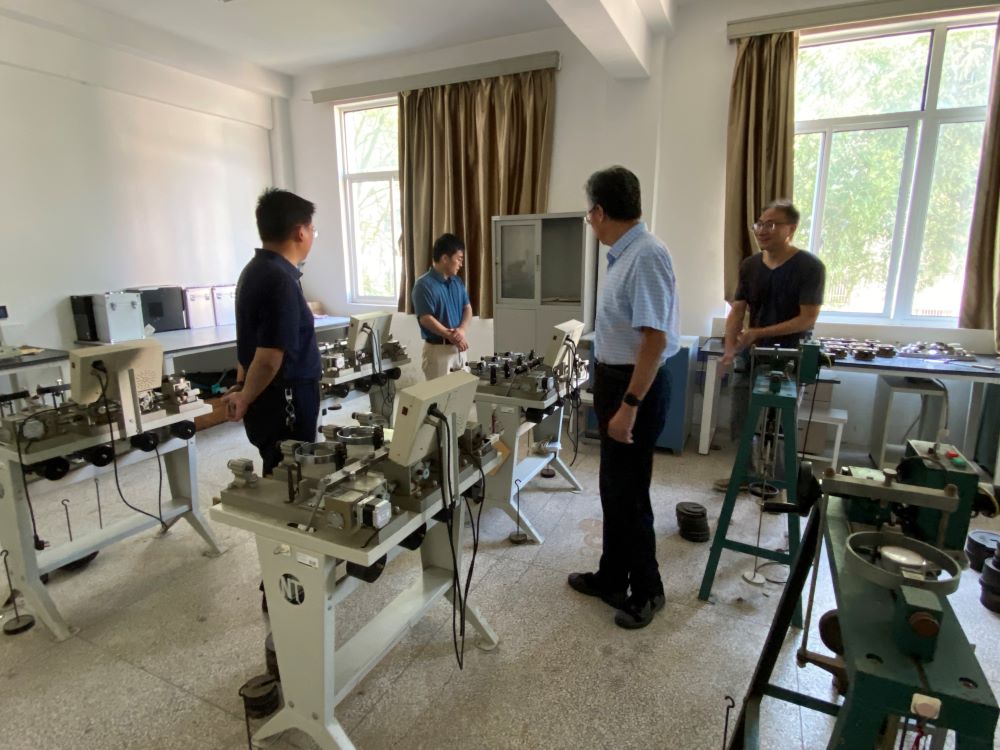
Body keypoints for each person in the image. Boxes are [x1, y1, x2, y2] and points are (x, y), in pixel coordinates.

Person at [568, 166, 681, 630]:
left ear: (599, 211)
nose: (589, 221)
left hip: (636, 388)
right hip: (617, 381)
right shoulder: (623, 255)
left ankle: (649, 591)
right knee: (613, 490)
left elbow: (655, 339)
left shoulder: (646, 255)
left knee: (631, 495)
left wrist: (629, 407)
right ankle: (612, 576)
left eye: (588, 213)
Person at [714, 199, 825, 490]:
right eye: (760, 224)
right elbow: (737, 310)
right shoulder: (750, 266)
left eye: (771, 224)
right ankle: (743, 474)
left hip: (790, 357)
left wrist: (758, 332)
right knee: (741, 418)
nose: (762, 230)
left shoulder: (810, 267)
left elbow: (807, 318)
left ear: (791, 229)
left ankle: (777, 483)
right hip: (751, 355)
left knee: (782, 424)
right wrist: (730, 348)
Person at [223, 188, 322, 475]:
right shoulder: (279, 280)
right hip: (286, 399)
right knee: (291, 474)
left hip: (272, 396)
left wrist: (242, 387)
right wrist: (245, 397)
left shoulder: (256, 270)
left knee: (279, 469)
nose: (313, 235)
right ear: (300, 232)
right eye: (312, 229)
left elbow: (249, 343)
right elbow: (268, 357)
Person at [412, 233, 473, 380]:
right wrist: (450, 335)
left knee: (463, 391)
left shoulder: (457, 281)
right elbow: (426, 318)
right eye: (459, 259)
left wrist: (461, 330)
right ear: (445, 258)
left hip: (459, 348)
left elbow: (467, 308)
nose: (461, 264)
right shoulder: (423, 285)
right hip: (438, 351)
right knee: (440, 394)